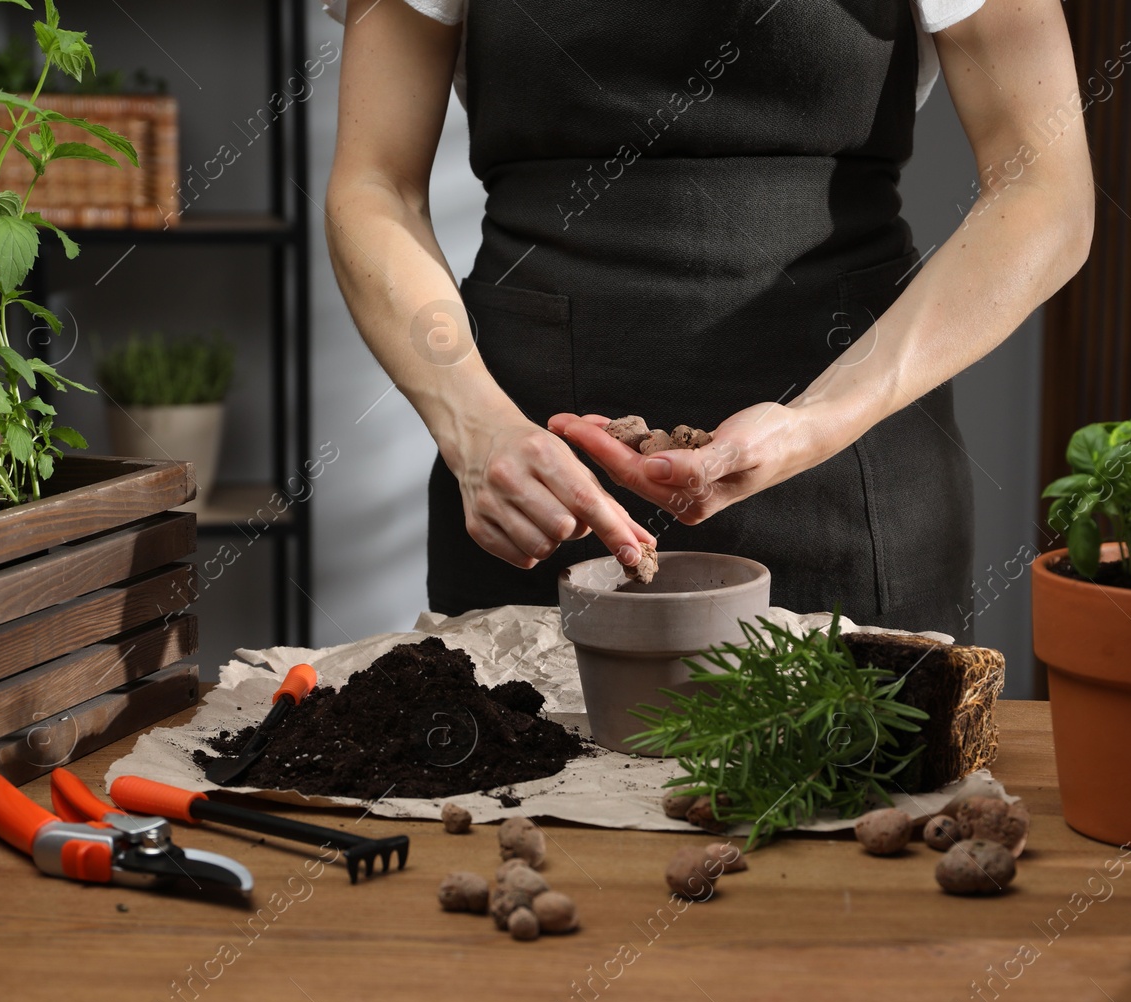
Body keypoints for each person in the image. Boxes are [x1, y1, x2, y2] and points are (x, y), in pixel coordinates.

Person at [325, 0, 1092, 639]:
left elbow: (1045, 190)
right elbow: (375, 184)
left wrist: (819, 421)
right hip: (536, 494)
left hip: (852, 484)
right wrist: (473, 425)